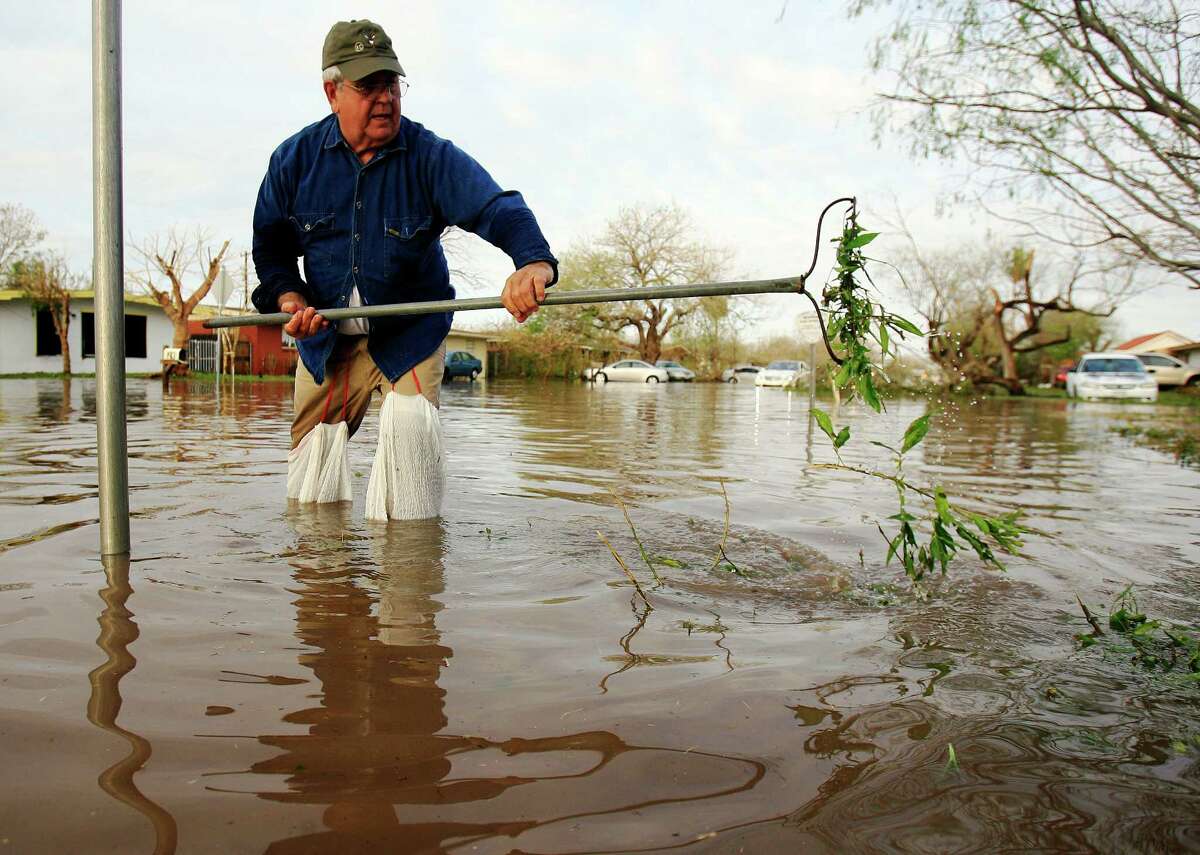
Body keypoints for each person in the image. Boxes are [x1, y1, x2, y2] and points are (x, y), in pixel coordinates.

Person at [251, 18, 557, 447]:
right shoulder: (292, 161)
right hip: (327, 343)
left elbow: (498, 206)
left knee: (410, 472)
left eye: (392, 86)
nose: (385, 100)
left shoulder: (431, 156)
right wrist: (289, 296)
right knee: (310, 492)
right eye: (368, 87)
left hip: (410, 337)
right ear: (332, 93)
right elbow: (270, 249)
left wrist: (532, 262)